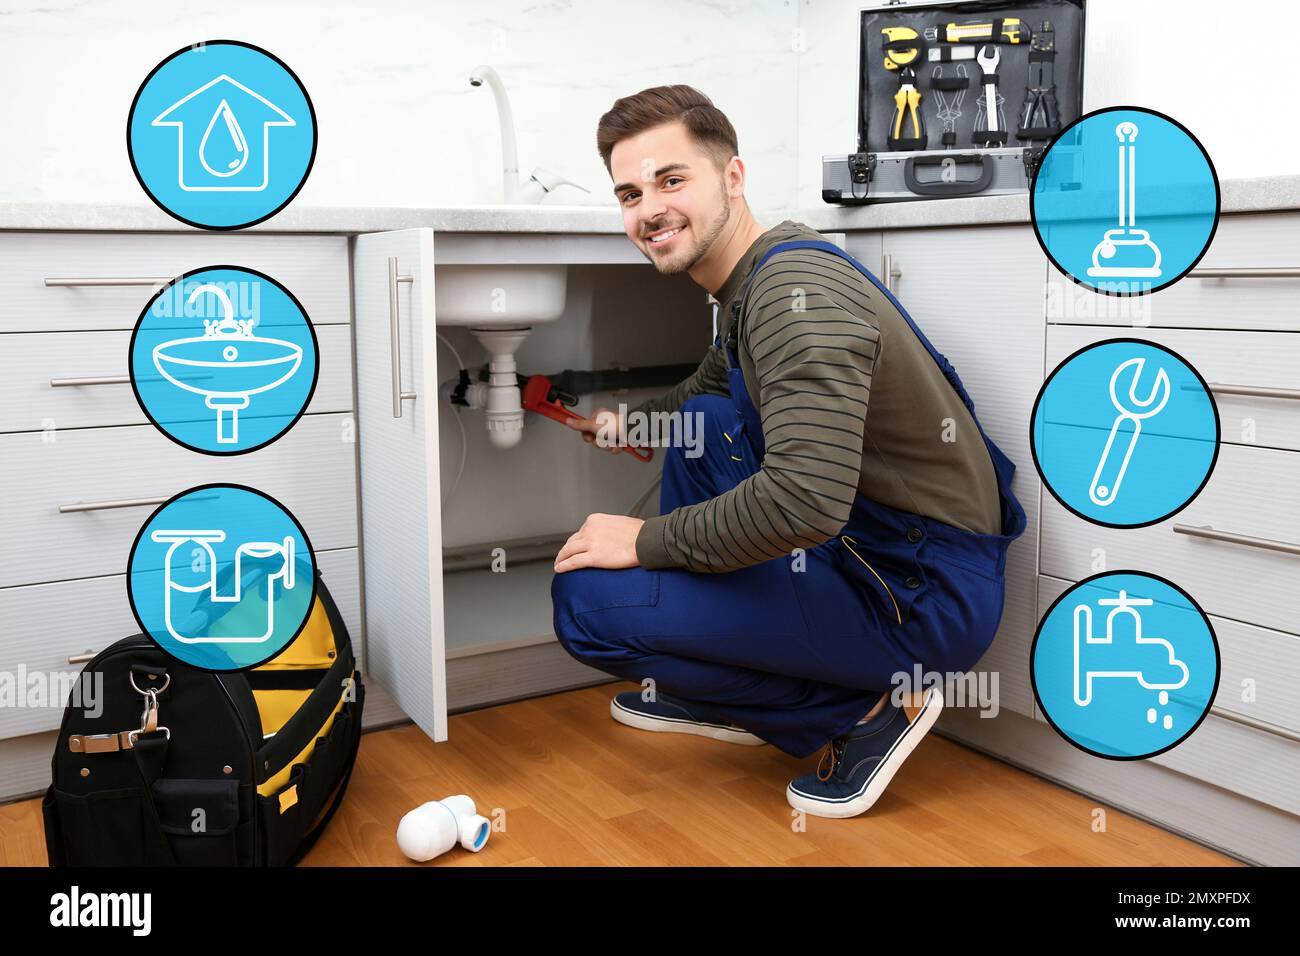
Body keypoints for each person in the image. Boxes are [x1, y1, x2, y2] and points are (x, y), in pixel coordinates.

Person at [550, 85, 1026, 818]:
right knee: (706, 421)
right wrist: (627, 424)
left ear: (732, 178)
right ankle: (727, 683)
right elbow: (701, 394)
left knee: (586, 604)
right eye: (629, 193)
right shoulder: (752, 284)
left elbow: (804, 500)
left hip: (917, 597)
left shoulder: (792, 294)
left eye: (672, 180)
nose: (648, 210)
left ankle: (866, 713)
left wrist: (644, 541)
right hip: (880, 550)